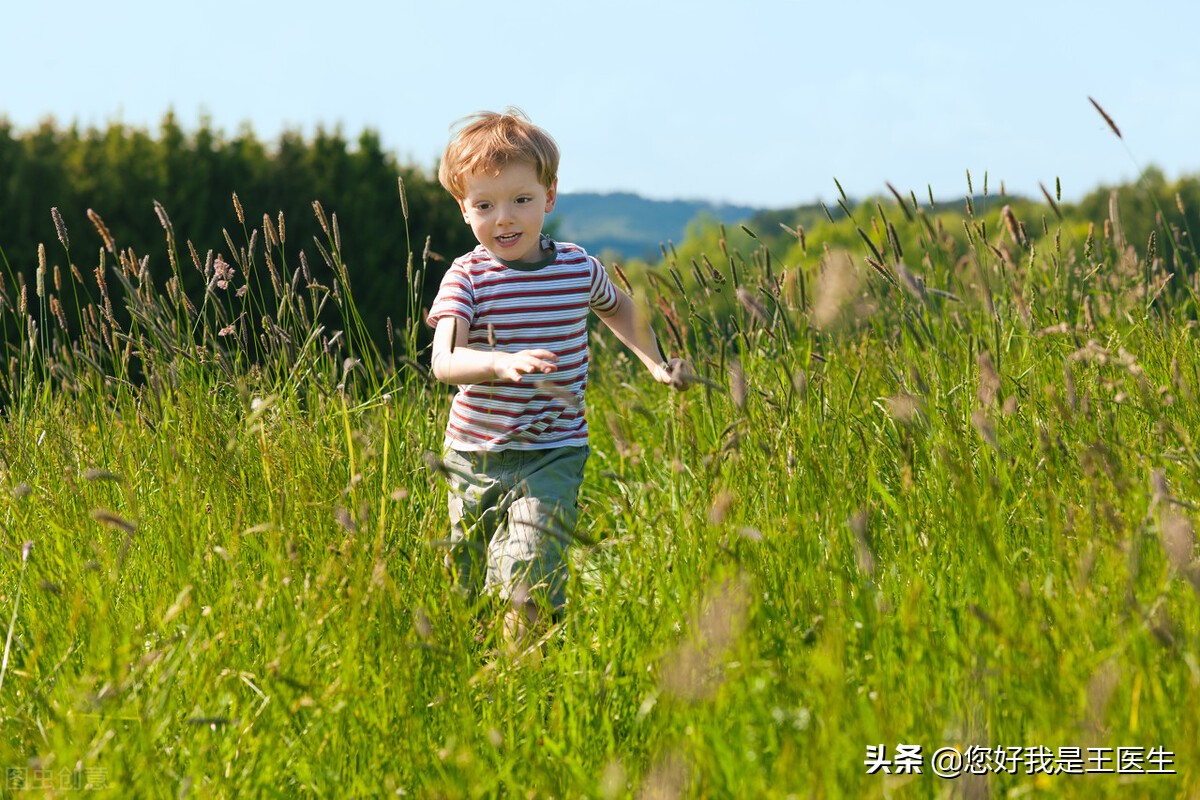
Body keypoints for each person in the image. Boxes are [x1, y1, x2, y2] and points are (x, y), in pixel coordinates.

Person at [427, 108, 691, 647]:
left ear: (549, 197)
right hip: (475, 455)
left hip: (553, 452)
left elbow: (620, 309)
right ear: (464, 209)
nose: (505, 219)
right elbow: (443, 362)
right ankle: (479, 679)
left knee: (528, 574)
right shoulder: (467, 277)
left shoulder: (576, 268)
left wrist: (654, 362)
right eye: (485, 205)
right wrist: (499, 363)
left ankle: (518, 678)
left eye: (521, 200)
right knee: (470, 587)